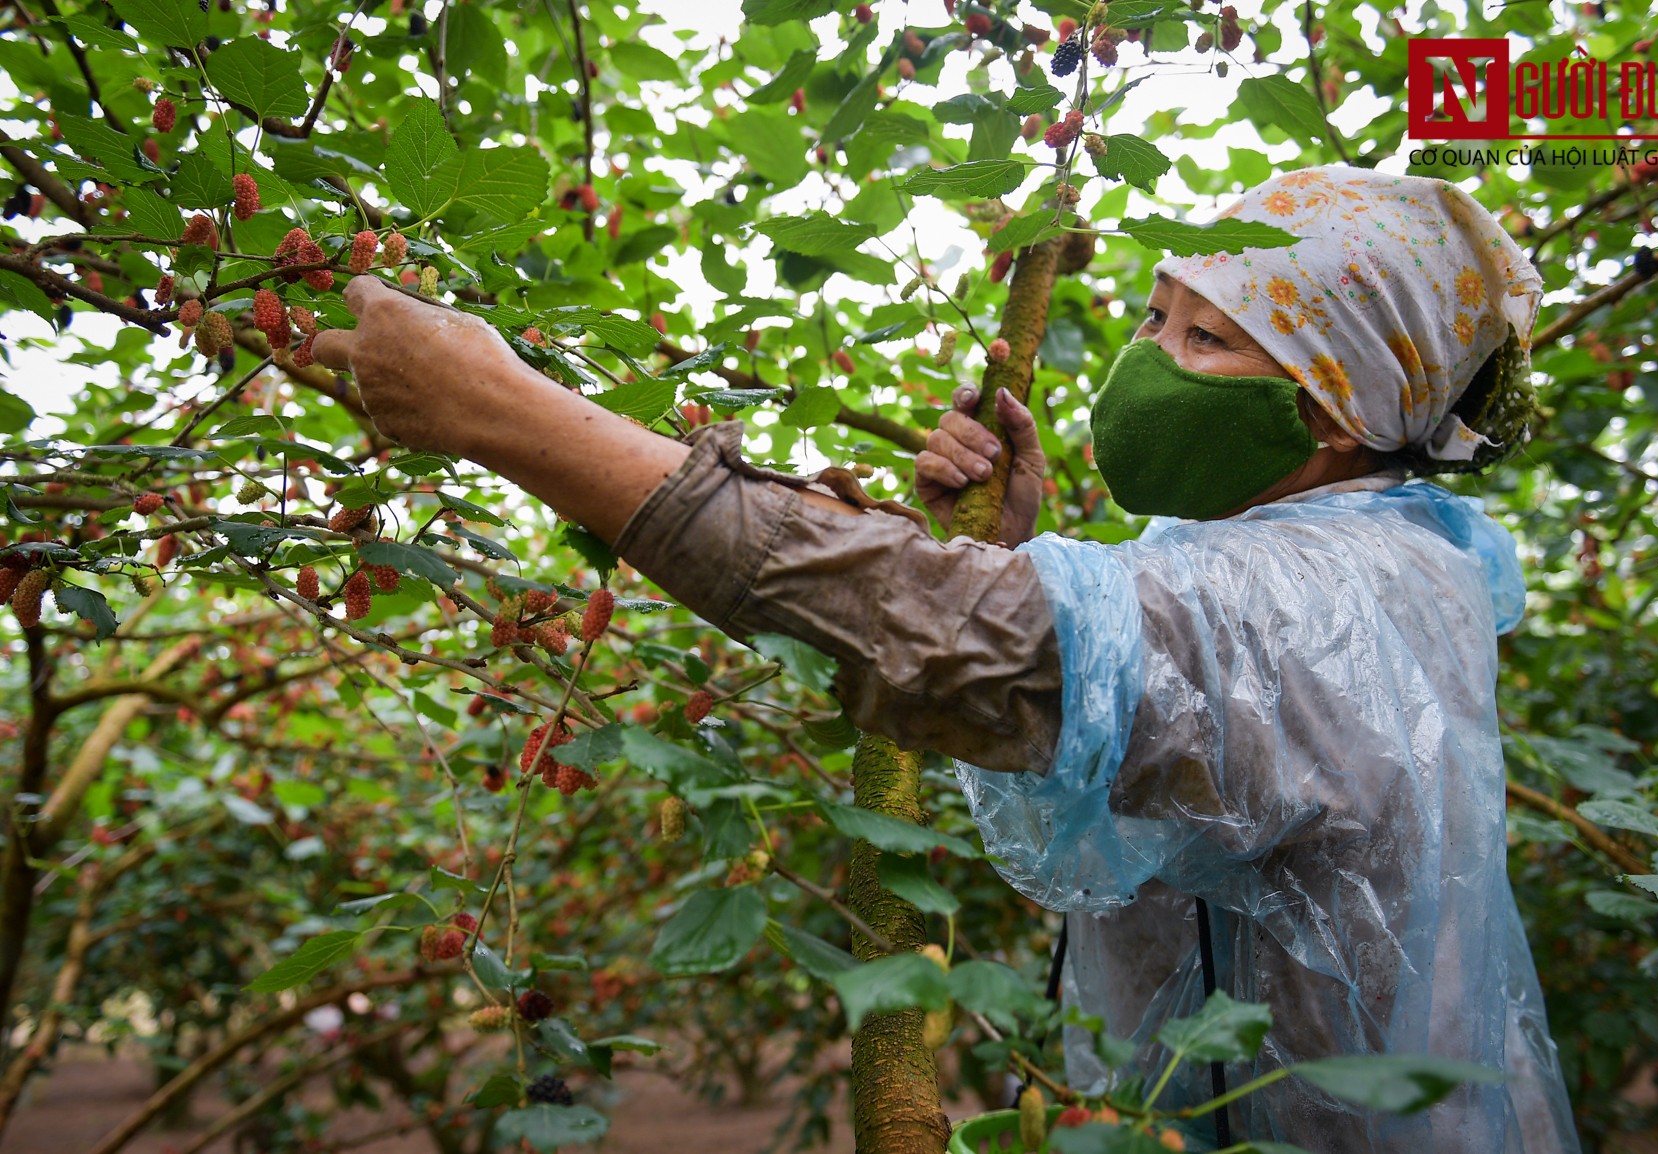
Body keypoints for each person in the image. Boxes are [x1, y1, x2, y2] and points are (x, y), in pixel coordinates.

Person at [313, 165, 1580, 1152]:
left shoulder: (1347, 595)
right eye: (1156, 315)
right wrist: (1013, 555)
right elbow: (1104, 673)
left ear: (1335, 408)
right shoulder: (1301, 561)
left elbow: (960, 642)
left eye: (1208, 341)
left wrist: (509, 413)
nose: (1147, 359)